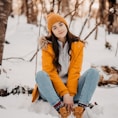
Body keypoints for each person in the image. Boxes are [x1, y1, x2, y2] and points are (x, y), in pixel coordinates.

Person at [32, 12, 100, 118]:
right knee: (40, 75)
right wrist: (64, 93)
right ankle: (61, 109)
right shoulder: (47, 47)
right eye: (54, 28)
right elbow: (50, 73)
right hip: (51, 92)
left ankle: (80, 108)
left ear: (66, 25)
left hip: (71, 91)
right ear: (52, 32)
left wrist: (71, 94)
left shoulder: (77, 45)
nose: (59, 29)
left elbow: (75, 71)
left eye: (60, 24)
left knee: (94, 72)